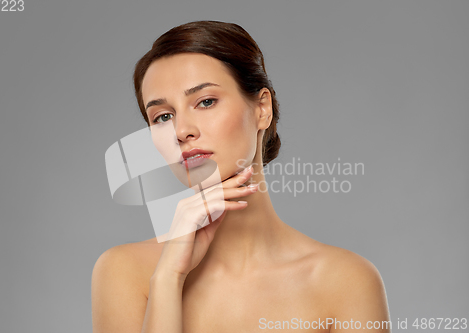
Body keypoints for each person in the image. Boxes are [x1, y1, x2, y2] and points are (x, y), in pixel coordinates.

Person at [91, 20, 391, 333]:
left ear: (262, 108)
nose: (181, 131)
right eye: (163, 117)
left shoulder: (345, 281)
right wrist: (168, 278)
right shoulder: (124, 271)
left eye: (205, 101)